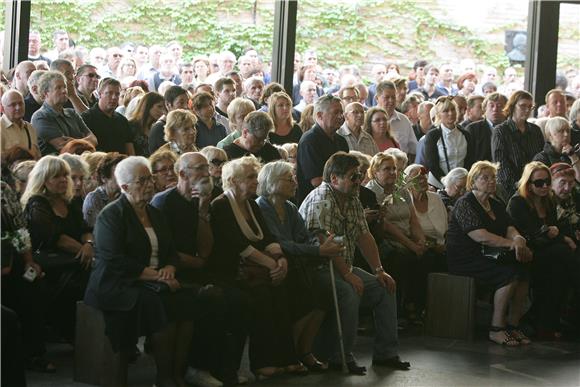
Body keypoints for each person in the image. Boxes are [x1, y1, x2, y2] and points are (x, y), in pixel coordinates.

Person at [84, 156, 195, 387]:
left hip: (155, 280)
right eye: (142, 181)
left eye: (149, 179)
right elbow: (115, 261)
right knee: (157, 304)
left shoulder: (155, 213)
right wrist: (159, 276)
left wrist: (169, 268)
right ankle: (164, 378)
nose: (149, 185)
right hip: (117, 283)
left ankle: (177, 374)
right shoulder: (112, 215)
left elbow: (171, 251)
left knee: (187, 303)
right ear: (124, 187)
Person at [299, 152, 410, 374]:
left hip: (343, 265)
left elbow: (364, 235)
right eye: (353, 176)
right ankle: (340, 356)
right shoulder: (322, 199)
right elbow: (325, 243)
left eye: (359, 175)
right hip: (317, 269)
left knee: (385, 286)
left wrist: (379, 270)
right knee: (349, 291)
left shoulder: (352, 198)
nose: (358, 181)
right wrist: (349, 275)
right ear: (334, 179)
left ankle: (386, 353)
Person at [209, 156, 306, 379]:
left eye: (255, 176)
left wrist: (280, 260)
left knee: (282, 293)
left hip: (259, 267)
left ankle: (286, 359)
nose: (256, 181)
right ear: (233, 180)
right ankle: (262, 363)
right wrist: (273, 264)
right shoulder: (221, 205)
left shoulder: (251, 203)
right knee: (262, 297)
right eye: (250, 177)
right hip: (231, 271)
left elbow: (267, 238)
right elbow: (238, 245)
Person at [256, 161, 345, 371]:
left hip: (299, 265)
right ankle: (288, 354)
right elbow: (280, 244)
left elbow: (305, 237)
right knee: (305, 299)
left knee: (324, 297)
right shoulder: (262, 207)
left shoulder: (290, 207)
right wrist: (318, 251)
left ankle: (303, 351)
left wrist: (320, 245)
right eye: (289, 179)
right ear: (272, 182)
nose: (295, 183)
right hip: (277, 267)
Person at [446, 161, 532, 346]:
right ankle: (496, 328)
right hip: (465, 258)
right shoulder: (465, 204)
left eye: (493, 177)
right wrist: (512, 245)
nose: (491, 181)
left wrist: (518, 240)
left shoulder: (496, 203)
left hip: (489, 254)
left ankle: (512, 325)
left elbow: (509, 227)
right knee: (508, 275)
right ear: (473, 181)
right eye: (485, 178)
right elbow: (480, 236)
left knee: (524, 271)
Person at [21, 156, 94, 342]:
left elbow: (85, 229)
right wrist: (84, 250)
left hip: (76, 258)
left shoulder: (70, 201)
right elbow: (55, 238)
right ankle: (75, 333)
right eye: (56, 176)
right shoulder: (37, 204)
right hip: (51, 262)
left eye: (65, 175)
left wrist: (88, 244)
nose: (63, 180)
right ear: (44, 179)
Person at [506, 162, 577, 339]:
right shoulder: (518, 202)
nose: (545, 186)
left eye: (547, 181)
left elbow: (555, 229)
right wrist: (558, 236)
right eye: (539, 183)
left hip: (549, 253)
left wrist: (557, 235)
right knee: (564, 252)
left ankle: (546, 326)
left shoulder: (549, 201)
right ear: (529, 184)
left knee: (559, 272)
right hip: (525, 253)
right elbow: (533, 236)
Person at [296, 95, 349, 203]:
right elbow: (316, 181)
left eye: (341, 112)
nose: (340, 116)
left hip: (339, 198)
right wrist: (345, 185)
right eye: (336, 112)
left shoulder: (341, 141)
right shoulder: (309, 140)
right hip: (316, 202)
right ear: (320, 115)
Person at [492, 90, 544, 199]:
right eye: (523, 106)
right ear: (512, 106)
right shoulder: (501, 131)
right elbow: (500, 163)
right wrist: (518, 187)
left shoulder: (535, 130)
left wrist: (536, 182)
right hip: (511, 188)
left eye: (530, 106)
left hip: (536, 185)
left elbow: (541, 158)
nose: (527, 110)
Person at [31, 71, 97, 156]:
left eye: (64, 87)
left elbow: (94, 139)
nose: (64, 91)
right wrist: (84, 140)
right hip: (57, 165)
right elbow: (64, 146)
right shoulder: (40, 117)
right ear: (45, 93)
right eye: (58, 88)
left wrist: (74, 141)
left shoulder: (72, 113)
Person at [424, 96, 474, 190]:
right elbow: (432, 164)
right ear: (439, 115)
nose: (451, 113)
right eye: (446, 111)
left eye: (453, 109)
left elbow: (470, 161)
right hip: (438, 184)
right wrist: (446, 182)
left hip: (461, 186)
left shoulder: (465, 134)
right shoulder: (433, 135)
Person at [81, 77, 135, 155]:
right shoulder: (86, 118)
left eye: (117, 94)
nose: (114, 97)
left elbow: (130, 150)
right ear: (100, 94)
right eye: (109, 93)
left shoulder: (122, 120)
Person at [375, 81, 417, 161]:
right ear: (377, 98)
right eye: (387, 97)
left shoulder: (404, 120)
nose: (391, 101)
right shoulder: (368, 119)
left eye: (393, 97)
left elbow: (413, 150)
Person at [82, 152, 126, 227]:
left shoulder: (125, 194)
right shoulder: (94, 198)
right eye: (119, 174)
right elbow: (97, 229)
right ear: (103, 178)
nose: (124, 178)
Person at [533, 117, 580, 181]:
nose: (566, 134)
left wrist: (573, 156)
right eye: (561, 131)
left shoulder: (575, 153)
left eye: (568, 131)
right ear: (550, 135)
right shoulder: (541, 159)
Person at [465, 92, 507, 162]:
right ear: (484, 109)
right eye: (491, 106)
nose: (495, 109)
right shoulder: (472, 129)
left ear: (506, 109)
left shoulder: (511, 129)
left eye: (499, 106)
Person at [147, 85, 190, 154]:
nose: (186, 107)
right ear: (168, 104)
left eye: (187, 102)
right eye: (181, 103)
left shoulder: (185, 124)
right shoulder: (159, 128)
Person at [1, 89, 41, 160]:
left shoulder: (30, 128)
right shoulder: (1, 128)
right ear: (2, 109)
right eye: (13, 105)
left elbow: (37, 156)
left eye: (20, 103)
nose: (18, 107)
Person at [127, 91, 166, 157]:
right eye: (159, 106)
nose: (163, 111)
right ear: (148, 105)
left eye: (164, 108)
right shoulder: (130, 125)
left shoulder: (157, 127)